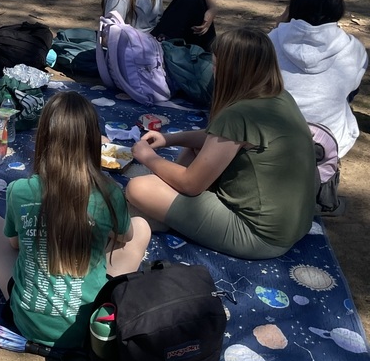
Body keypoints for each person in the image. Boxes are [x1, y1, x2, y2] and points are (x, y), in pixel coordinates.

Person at [0, 91, 151, 347]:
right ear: (93, 142)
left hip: (27, 320)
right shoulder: (109, 193)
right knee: (141, 226)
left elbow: (14, 245)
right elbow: (126, 237)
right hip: (88, 326)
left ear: (43, 138)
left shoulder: (20, 190)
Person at [126, 28, 316, 259]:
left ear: (232, 71)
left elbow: (190, 184)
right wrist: (170, 139)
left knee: (138, 188)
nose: (213, 72)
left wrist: (148, 157)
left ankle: (163, 215)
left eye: (216, 66)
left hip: (258, 236)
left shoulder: (238, 114)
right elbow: (217, 139)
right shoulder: (279, 97)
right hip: (293, 225)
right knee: (195, 150)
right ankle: (167, 212)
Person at [269, 0, 367, 158]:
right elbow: (352, 89)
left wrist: (279, 27)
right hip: (328, 141)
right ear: (338, 7)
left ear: (293, 5)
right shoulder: (353, 48)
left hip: (274, 134)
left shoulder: (270, 40)